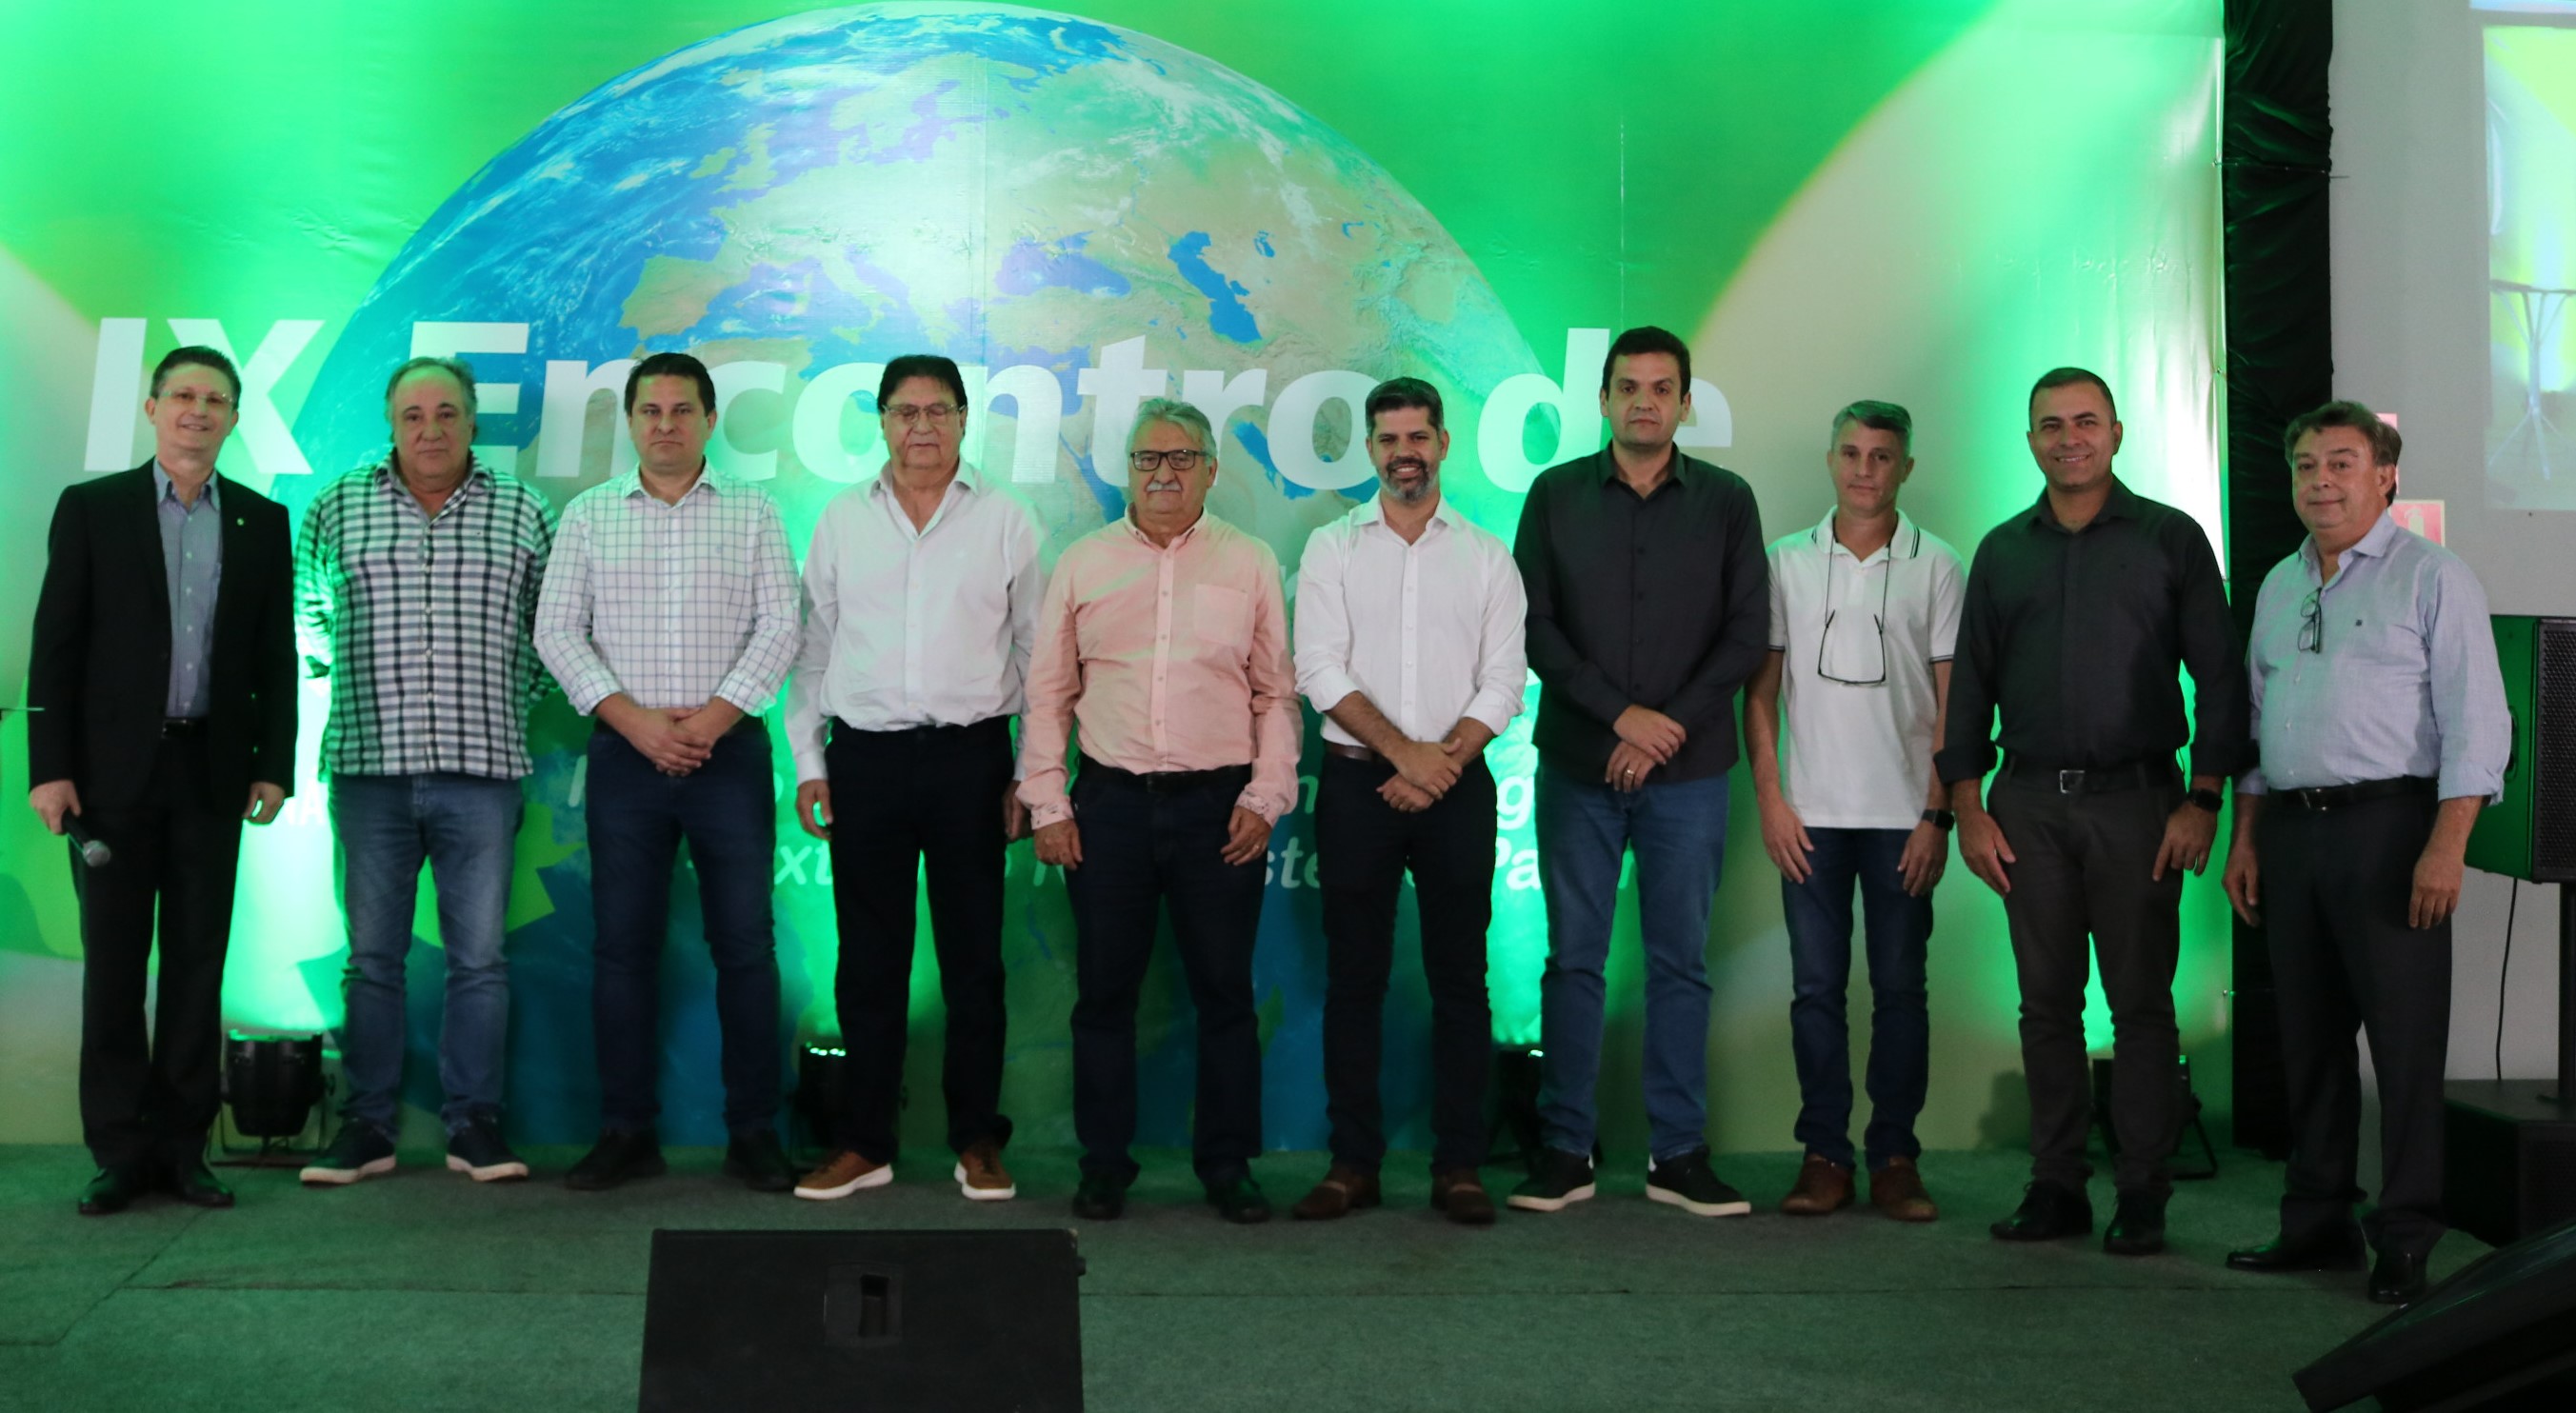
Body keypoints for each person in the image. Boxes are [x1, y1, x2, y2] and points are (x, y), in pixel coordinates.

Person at [1938, 367, 2249, 1256]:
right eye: (2050, 424)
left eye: (2084, 421)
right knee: (2045, 1007)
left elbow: (2220, 677)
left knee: (2140, 1006)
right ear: (2029, 440)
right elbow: (1970, 688)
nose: (2067, 438)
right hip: (2027, 804)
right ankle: (2057, 1186)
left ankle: (2142, 1192)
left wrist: (2203, 798)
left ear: (2116, 434)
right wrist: (1966, 806)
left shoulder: (2169, 538)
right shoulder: (2002, 550)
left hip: (2140, 804)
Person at [2222, 402, 2509, 1305]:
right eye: (2305, 465)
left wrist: (2445, 847)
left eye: (2341, 463)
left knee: (2404, 1050)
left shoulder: (2433, 576)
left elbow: (2477, 724)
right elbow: (2258, 722)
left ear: (2385, 476)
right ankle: (2317, 1223)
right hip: (2290, 834)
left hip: (2391, 833)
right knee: (2307, 1044)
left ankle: (2407, 1236)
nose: (2320, 482)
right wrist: (2245, 837)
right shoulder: (2278, 584)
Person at [29, 346, 296, 1215]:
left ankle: (183, 1149)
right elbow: (55, 646)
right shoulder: (93, 508)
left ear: (233, 417)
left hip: (211, 773)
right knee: (112, 969)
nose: (197, 411)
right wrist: (49, 770)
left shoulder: (261, 520)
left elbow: (275, 655)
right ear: (152, 409)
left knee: (195, 965)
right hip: (107, 780)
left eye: (215, 399)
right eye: (182, 395)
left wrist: (273, 764)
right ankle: (117, 1150)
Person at [1508, 326, 1768, 1218]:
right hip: (1578, 766)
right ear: (1603, 399)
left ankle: (1678, 1155)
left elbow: (1744, 632)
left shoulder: (1727, 502)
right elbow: (1533, 626)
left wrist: (1662, 730)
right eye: (1628, 387)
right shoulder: (1553, 495)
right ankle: (1563, 1151)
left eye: (1661, 388)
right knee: (1572, 962)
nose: (1644, 402)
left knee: (1678, 965)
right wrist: (1619, 717)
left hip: (1688, 774)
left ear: (1685, 404)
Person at [1019, 397, 1298, 1224]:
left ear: (1211, 469)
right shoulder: (1083, 563)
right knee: (1104, 997)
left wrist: (1266, 796)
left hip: (1221, 809)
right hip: (1108, 807)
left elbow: (1275, 694)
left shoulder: (1248, 562)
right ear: (1128, 471)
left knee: (1226, 997)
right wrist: (1047, 803)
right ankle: (1104, 1164)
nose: (1163, 473)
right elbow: (1048, 695)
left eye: (1181, 458)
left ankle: (1228, 1166)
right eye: (1147, 459)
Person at [532, 351, 800, 1194]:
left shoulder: (754, 512)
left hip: (730, 755)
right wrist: (635, 721)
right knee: (622, 949)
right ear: (631, 422)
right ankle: (625, 1130)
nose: (666, 425)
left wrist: (714, 719)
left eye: (683, 410)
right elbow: (555, 631)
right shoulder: (589, 516)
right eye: (650, 411)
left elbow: (781, 625)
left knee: (745, 947)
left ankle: (753, 1131)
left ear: (710, 421)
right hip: (626, 754)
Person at [785, 353, 1041, 1204]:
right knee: (868, 962)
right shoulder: (842, 519)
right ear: (883, 422)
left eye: (937, 411)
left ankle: (977, 1140)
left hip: (973, 760)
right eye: (904, 411)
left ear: (964, 419)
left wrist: (1031, 773)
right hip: (866, 760)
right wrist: (811, 762)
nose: (921, 426)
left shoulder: (1006, 518)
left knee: (973, 962)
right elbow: (813, 650)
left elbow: (1039, 655)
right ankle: (864, 1143)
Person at [294, 356, 556, 1187]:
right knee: (372, 960)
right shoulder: (337, 507)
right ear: (392, 423)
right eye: (413, 415)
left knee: (479, 960)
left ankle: (474, 1125)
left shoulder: (524, 511)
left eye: (447, 413)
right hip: (368, 770)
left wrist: (502, 699)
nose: (430, 429)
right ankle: (367, 1127)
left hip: (481, 771)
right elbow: (309, 623)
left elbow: (551, 634)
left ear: (473, 422)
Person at [1288, 377, 1527, 1227]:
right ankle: (1352, 1164)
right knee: (1354, 981)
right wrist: (1405, 756)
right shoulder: (1331, 548)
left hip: (1457, 786)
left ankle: (1458, 1165)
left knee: (1461, 981)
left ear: (1442, 444)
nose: (1403, 454)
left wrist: (1438, 762)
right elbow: (1318, 668)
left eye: (1417, 438)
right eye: (1388, 440)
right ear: (1369, 450)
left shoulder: (1487, 556)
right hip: (1360, 785)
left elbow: (1504, 680)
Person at [1742, 400, 1961, 1223]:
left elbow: (1952, 701)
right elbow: (1759, 693)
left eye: (1881, 455)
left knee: (1901, 990)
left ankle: (1895, 1156)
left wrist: (1936, 814)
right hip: (1810, 817)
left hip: (1903, 816)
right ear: (1830, 459)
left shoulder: (1938, 564)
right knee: (1815, 991)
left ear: (1906, 467)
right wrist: (1771, 800)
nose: (1864, 469)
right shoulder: (1784, 561)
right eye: (1850, 453)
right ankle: (1824, 1155)